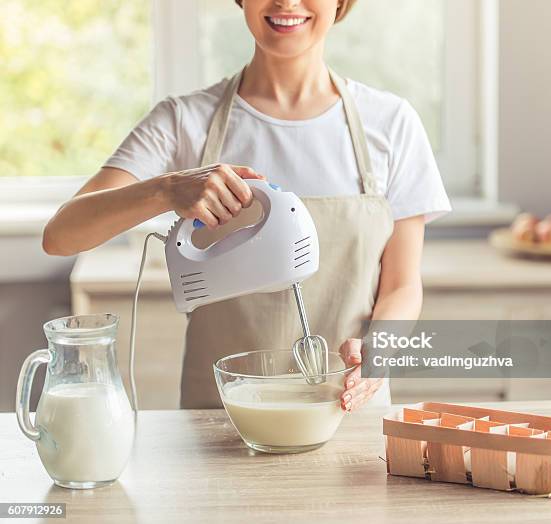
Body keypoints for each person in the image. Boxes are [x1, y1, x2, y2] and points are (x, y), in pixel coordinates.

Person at [43, 0, 451, 411]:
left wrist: (379, 353)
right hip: (221, 421)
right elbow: (61, 235)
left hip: (347, 411)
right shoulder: (184, 120)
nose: (287, 2)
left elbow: (401, 284)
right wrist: (166, 190)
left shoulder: (391, 122)